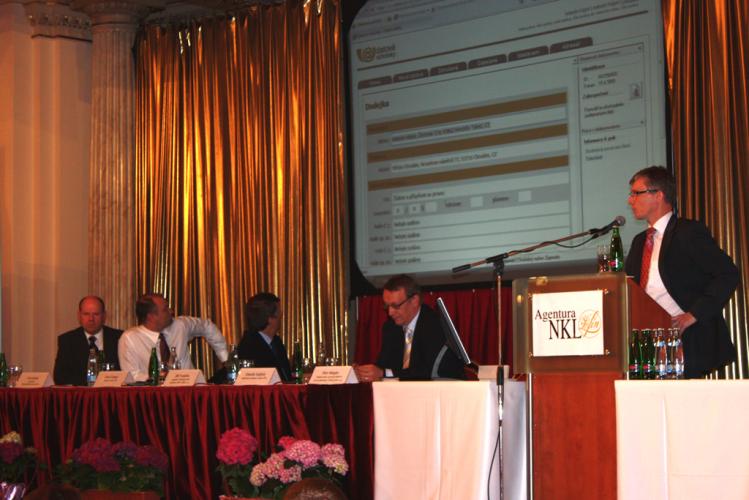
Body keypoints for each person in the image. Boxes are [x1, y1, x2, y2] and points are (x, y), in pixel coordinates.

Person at [624, 166, 739, 378]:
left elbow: (727, 274)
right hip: (648, 347)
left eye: (636, 193)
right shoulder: (640, 241)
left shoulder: (687, 232)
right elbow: (630, 288)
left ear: (658, 195)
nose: (630, 200)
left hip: (687, 343)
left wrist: (693, 315)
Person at [354, 274, 465, 381]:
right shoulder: (390, 327)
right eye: (387, 306)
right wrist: (365, 372)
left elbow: (426, 372)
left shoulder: (435, 324)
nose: (390, 312)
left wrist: (384, 373)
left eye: (395, 306)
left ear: (414, 300)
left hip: (442, 388)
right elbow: (384, 364)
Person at [118, 293, 229, 381]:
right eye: (165, 309)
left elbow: (207, 327)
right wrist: (161, 378)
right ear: (151, 317)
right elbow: (131, 376)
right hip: (155, 397)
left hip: (193, 390)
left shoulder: (180, 325)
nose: (171, 311)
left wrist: (225, 359)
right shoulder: (130, 339)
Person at [53, 296, 123, 386]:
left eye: (96, 314)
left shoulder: (119, 338)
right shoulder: (67, 340)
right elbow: (60, 377)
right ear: (79, 316)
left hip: (112, 392)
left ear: (104, 316)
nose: (91, 319)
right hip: (80, 393)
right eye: (86, 314)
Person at [237, 293, 292, 381]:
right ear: (270, 318)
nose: (281, 315)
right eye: (279, 312)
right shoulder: (249, 347)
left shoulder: (276, 342)